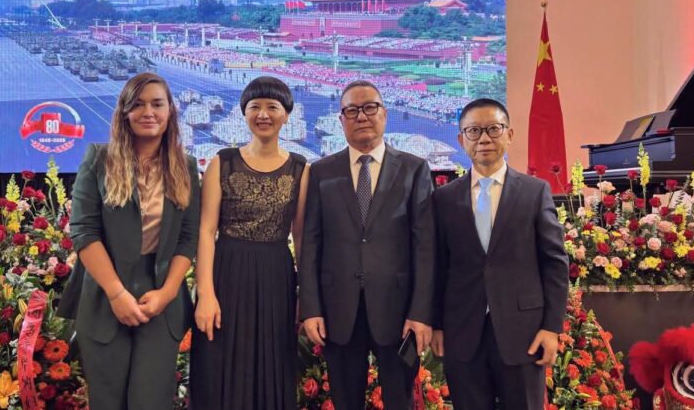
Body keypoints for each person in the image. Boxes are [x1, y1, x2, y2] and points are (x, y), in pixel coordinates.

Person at [57, 73, 200, 410]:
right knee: (108, 402)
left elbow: (188, 238)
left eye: (156, 104)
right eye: (137, 104)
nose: (147, 112)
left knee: (150, 401)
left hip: (161, 301)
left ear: (170, 112)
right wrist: (117, 293)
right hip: (105, 297)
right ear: (124, 112)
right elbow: (84, 231)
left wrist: (167, 293)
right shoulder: (98, 158)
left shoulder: (186, 166)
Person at [299, 80, 435, 410]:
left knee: (400, 400)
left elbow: (425, 247)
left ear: (384, 114)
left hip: (398, 309)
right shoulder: (320, 172)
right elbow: (311, 243)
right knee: (346, 400)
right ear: (341, 119)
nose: (362, 116)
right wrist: (311, 308)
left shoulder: (414, 169)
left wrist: (420, 313)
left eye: (370, 107)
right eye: (352, 110)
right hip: (338, 309)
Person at [431, 98, 568, 410]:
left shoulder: (535, 191)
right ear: (461, 139)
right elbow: (438, 267)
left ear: (509, 134)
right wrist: (437, 324)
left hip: (525, 333)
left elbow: (555, 263)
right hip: (462, 332)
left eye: (493, 129)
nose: (484, 139)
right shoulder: (443, 198)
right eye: (474, 131)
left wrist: (551, 328)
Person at [189, 76, 309, 409]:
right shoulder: (222, 161)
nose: (263, 114)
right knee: (219, 364)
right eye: (255, 106)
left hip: (276, 276)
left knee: (271, 363)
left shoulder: (301, 168)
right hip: (226, 274)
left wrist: (306, 296)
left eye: (273, 106)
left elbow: (299, 237)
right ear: (244, 114)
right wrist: (206, 295)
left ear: (287, 115)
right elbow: (205, 231)